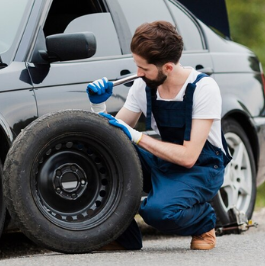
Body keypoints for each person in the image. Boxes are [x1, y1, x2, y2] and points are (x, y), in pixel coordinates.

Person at [86, 21, 231, 251]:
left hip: (201, 168)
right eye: (137, 65)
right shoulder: (143, 85)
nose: (138, 73)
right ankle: (123, 236)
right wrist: (99, 108)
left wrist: (137, 137)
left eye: (144, 68)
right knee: (102, 153)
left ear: (168, 68)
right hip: (165, 159)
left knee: (158, 212)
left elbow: (189, 157)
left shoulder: (204, 88)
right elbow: (113, 135)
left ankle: (204, 220)